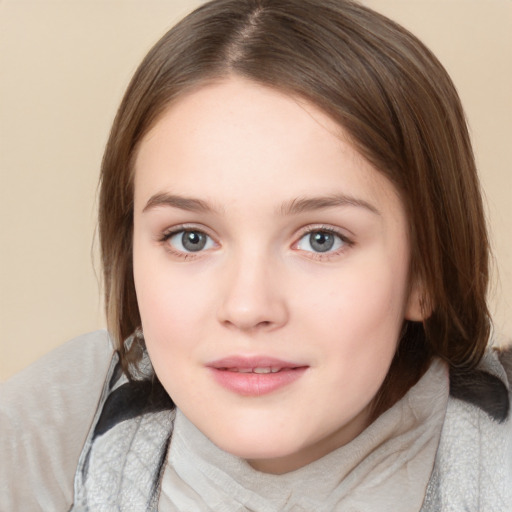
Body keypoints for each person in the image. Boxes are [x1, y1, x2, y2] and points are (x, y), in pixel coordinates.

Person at [1, 0, 511, 510]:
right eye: (190, 238)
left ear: (425, 272)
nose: (248, 307)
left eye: (321, 239)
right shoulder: (63, 421)